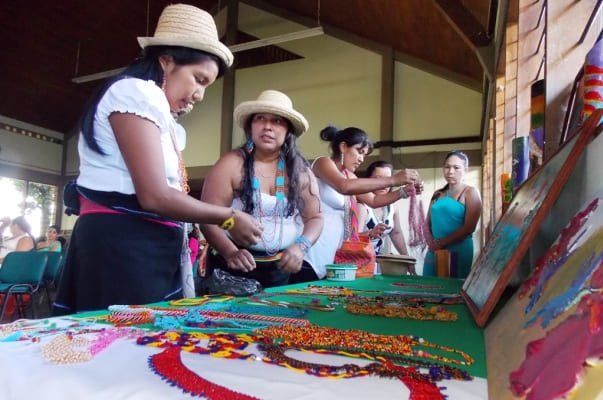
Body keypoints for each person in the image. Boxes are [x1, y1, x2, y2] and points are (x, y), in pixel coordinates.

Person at [53, 4, 262, 315]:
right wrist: (229, 217)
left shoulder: (157, 112)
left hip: (145, 249)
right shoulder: (135, 93)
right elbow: (155, 196)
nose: (199, 95)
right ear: (167, 60)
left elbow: (170, 195)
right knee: (124, 337)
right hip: (122, 249)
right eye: (198, 79)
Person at [200, 90, 323, 288]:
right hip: (231, 267)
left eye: (277, 121)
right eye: (260, 118)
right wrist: (230, 252)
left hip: (281, 269)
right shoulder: (231, 164)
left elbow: (315, 218)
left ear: (288, 130)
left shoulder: (300, 171)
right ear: (251, 126)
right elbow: (207, 217)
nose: (267, 126)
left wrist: (301, 246)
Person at [289, 126, 421, 283]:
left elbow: (373, 201)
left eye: (364, 154)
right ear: (343, 147)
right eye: (359, 151)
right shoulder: (322, 162)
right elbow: (343, 187)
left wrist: (403, 191)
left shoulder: (349, 175)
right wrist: (393, 179)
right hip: (310, 253)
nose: (362, 159)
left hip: (332, 256)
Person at [423, 151, 481, 278]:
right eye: (447, 167)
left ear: (465, 170)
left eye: (456, 168)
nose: (450, 171)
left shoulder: (470, 192)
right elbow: (427, 223)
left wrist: (442, 243)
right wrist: (431, 243)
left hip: (459, 250)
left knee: (452, 286)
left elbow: (469, 228)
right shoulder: (437, 194)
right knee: (427, 284)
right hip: (434, 251)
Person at [359, 161, 414, 268]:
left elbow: (396, 233)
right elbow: (352, 239)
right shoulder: (362, 207)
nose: (384, 184)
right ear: (367, 180)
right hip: (359, 263)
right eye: (378, 178)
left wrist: (407, 260)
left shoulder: (392, 207)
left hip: (377, 264)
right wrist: (371, 233)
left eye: (388, 179)